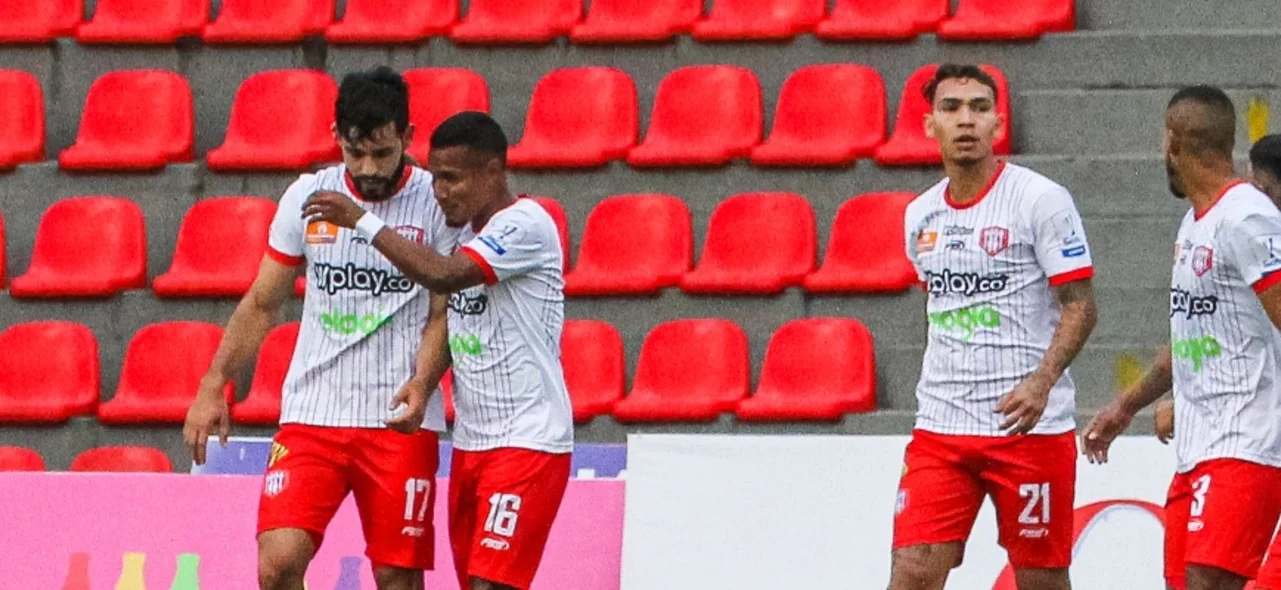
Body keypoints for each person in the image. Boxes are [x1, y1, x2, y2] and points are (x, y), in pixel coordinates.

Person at [182, 67, 451, 590]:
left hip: (398, 417)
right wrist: (213, 384)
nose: (368, 168)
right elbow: (263, 302)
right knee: (276, 564)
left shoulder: (435, 203)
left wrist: (423, 383)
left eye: (382, 153)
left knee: (397, 576)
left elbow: (442, 311)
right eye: (356, 154)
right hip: (313, 414)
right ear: (336, 139)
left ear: (408, 136)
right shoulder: (308, 197)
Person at [302, 111, 574, 590]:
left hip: (527, 443)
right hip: (471, 446)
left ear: (493, 172)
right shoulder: (466, 236)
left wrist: (361, 220)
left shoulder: (526, 224)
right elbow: (452, 319)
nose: (440, 190)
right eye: (436, 178)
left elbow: (442, 277)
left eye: (452, 178)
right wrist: (424, 384)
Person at [890, 64, 1099, 590]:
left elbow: (1081, 305)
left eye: (979, 109)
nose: (966, 120)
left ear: (997, 124)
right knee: (912, 571)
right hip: (941, 429)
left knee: (1040, 580)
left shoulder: (1041, 200)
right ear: (928, 125)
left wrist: (1041, 381)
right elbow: (940, 308)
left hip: (1027, 429)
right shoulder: (920, 215)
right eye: (952, 108)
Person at [1084, 86, 1281, 590]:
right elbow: (1194, 340)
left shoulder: (1248, 217)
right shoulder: (1195, 223)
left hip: (1246, 447)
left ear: (1171, 141)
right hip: (1197, 450)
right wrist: (1125, 406)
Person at [1151, 133, 1281, 447]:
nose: (1254, 195)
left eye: (1261, 189)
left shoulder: (1250, 225)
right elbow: (1204, 337)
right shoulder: (1240, 237)